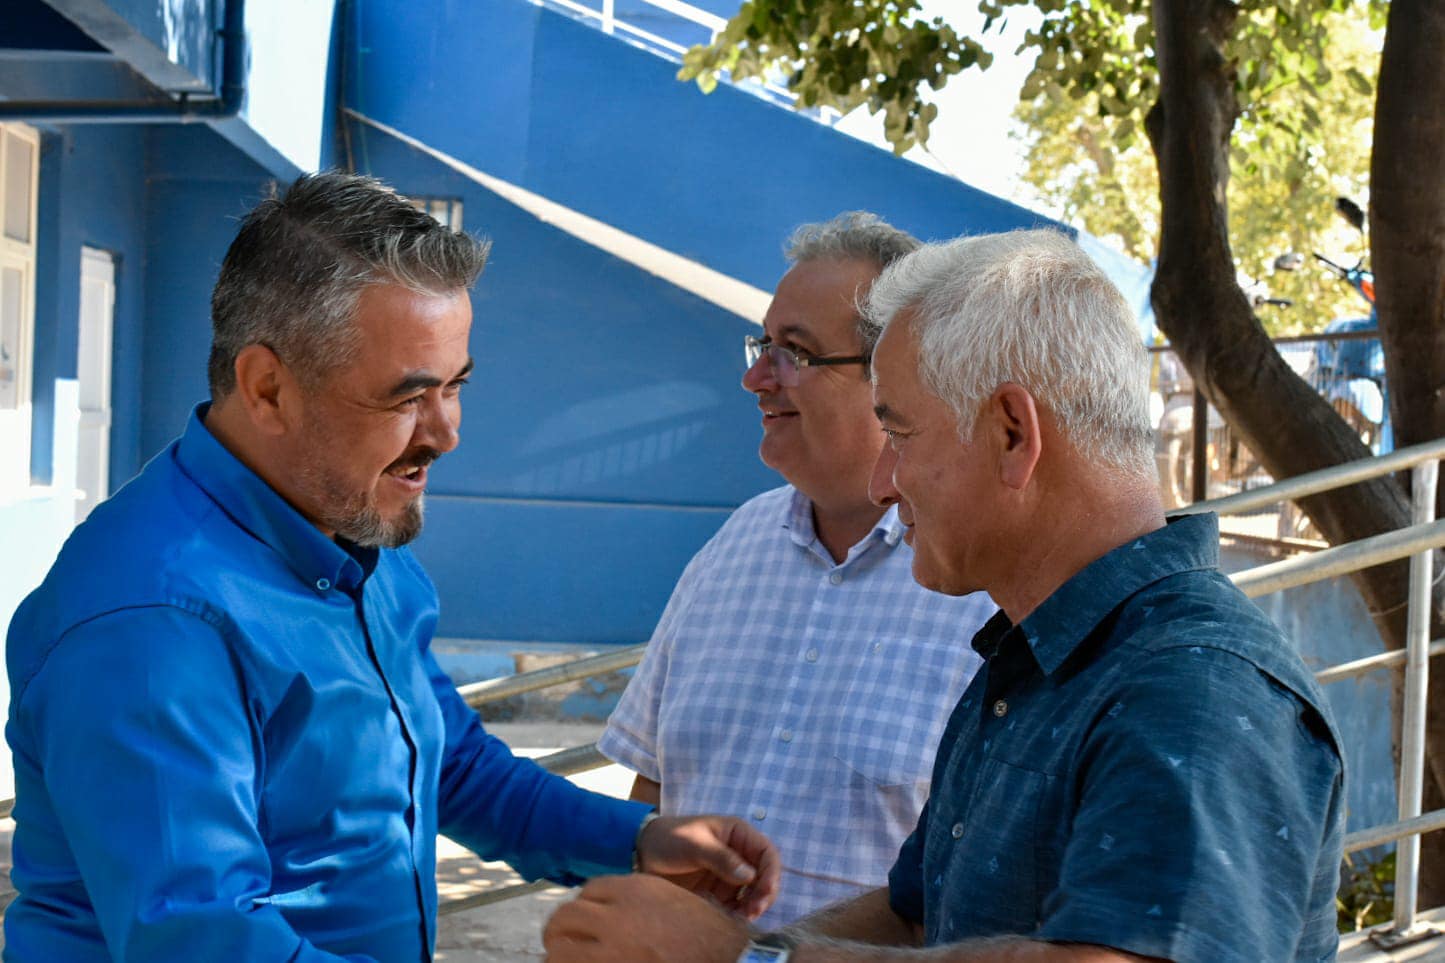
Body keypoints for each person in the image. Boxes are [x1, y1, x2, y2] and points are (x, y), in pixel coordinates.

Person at [3, 171, 779, 962]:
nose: (445, 433)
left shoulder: (349, 530)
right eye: (408, 397)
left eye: (455, 387)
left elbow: (446, 764)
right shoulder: (150, 622)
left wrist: (638, 839)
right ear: (267, 388)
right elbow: (204, 940)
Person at [544, 229, 1346, 963]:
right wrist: (717, 947)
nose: (884, 483)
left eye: (898, 434)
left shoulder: (1195, 687)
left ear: (1011, 432)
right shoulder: (1030, 658)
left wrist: (742, 960)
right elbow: (915, 916)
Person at [598, 212, 995, 926]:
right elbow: (653, 789)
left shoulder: (986, 587)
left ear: (896, 375)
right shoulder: (731, 550)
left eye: (795, 353)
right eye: (763, 346)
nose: (755, 378)